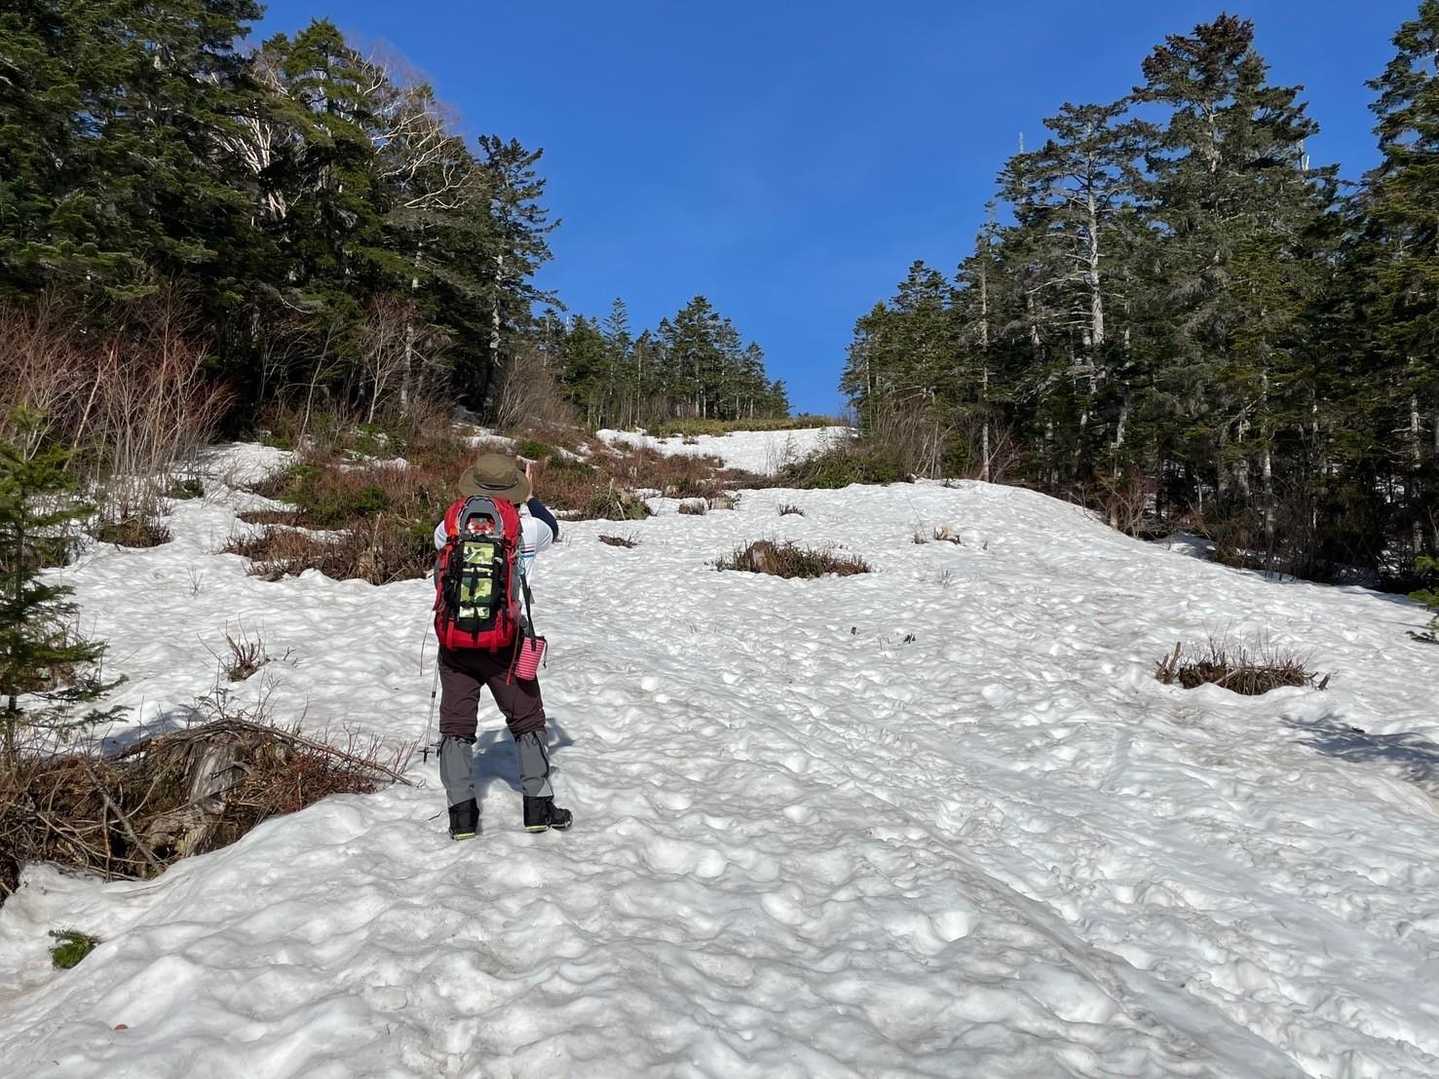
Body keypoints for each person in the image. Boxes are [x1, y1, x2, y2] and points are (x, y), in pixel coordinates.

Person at [432, 453, 570, 839]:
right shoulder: (529, 529)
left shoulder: (449, 526)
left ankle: (461, 816)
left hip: (455, 641)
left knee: (456, 726)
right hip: (506, 641)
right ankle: (538, 809)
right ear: (514, 488)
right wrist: (531, 497)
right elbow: (552, 526)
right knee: (528, 720)